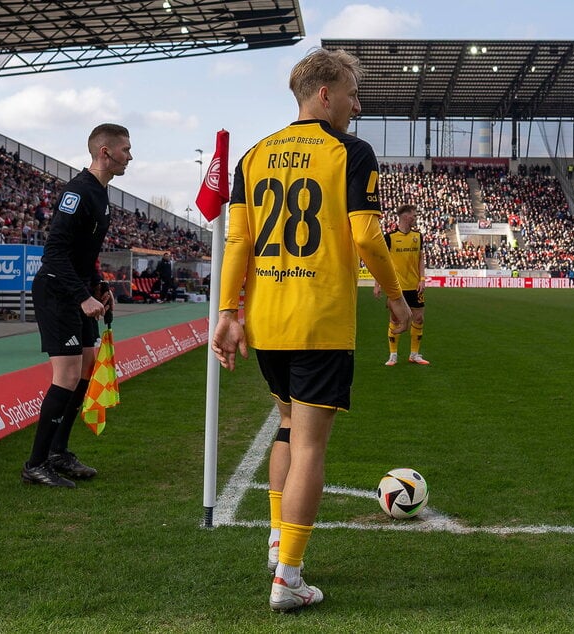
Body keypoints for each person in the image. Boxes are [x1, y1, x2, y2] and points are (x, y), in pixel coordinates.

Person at [211, 48, 411, 613]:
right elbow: (369, 237)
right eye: (352, 92)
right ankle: (289, 579)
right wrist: (396, 299)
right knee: (310, 447)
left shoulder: (254, 155)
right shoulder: (350, 151)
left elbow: (237, 243)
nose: (357, 103)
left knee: (286, 425)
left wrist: (229, 313)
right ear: (324, 92)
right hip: (320, 319)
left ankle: (278, 542)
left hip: (268, 321)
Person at [21, 123, 131, 489]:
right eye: (125, 150)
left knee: (85, 369)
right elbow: (53, 253)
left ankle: (58, 452)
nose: (129, 156)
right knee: (66, 376)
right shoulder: (78, 192)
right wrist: (81, 296)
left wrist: (99, 286)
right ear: (104, 151)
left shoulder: (102, 195)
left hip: (80, 290)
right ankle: (35, 464)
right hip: (57, 293)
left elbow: (84, 255)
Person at [374, 203, 429, 366]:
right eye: (413, 215)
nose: (415, 218)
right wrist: (377, 284)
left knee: (418, 319)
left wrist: (422, 279)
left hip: (415, 286)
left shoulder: (418, 236)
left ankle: (414, 354)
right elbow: (381, 262)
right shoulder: (389, 237)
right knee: (395, 319)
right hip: (396, 287)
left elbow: (420, 259)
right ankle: (393, 355)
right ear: (405, 216)